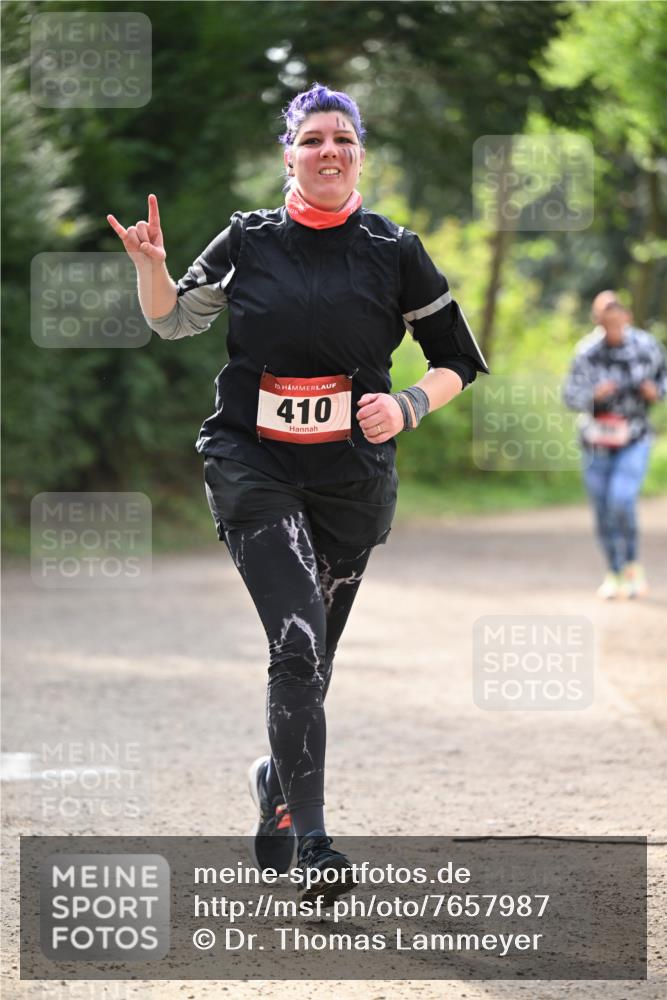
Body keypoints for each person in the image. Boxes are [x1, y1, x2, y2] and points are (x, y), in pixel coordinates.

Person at [107, 83, 488, 903]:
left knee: (313, 662)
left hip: (350, 478)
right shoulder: (250, 239)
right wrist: (152, 271)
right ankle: (313, 844)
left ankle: (276, 789)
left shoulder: (395, 249)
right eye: (311, 138)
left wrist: (410, 403)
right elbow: (172, 320)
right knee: (296, 646)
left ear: (359, 154)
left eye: (341, 139)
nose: (327, 151)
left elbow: (457, 358)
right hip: (254, 465)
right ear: (289, 155)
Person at [564, 295, 666, 599]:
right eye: (605, 320)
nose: (612, 325)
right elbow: (569, 395)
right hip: (596, 441)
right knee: (602, 509)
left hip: (634, 437)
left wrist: (656, 392)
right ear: (596, 320)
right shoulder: (586, 352)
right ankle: (615, 570)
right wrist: (594, 396)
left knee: (621, 499)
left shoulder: (647, 347)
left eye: (617, 318)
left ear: (628, 316)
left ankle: (633, 566)